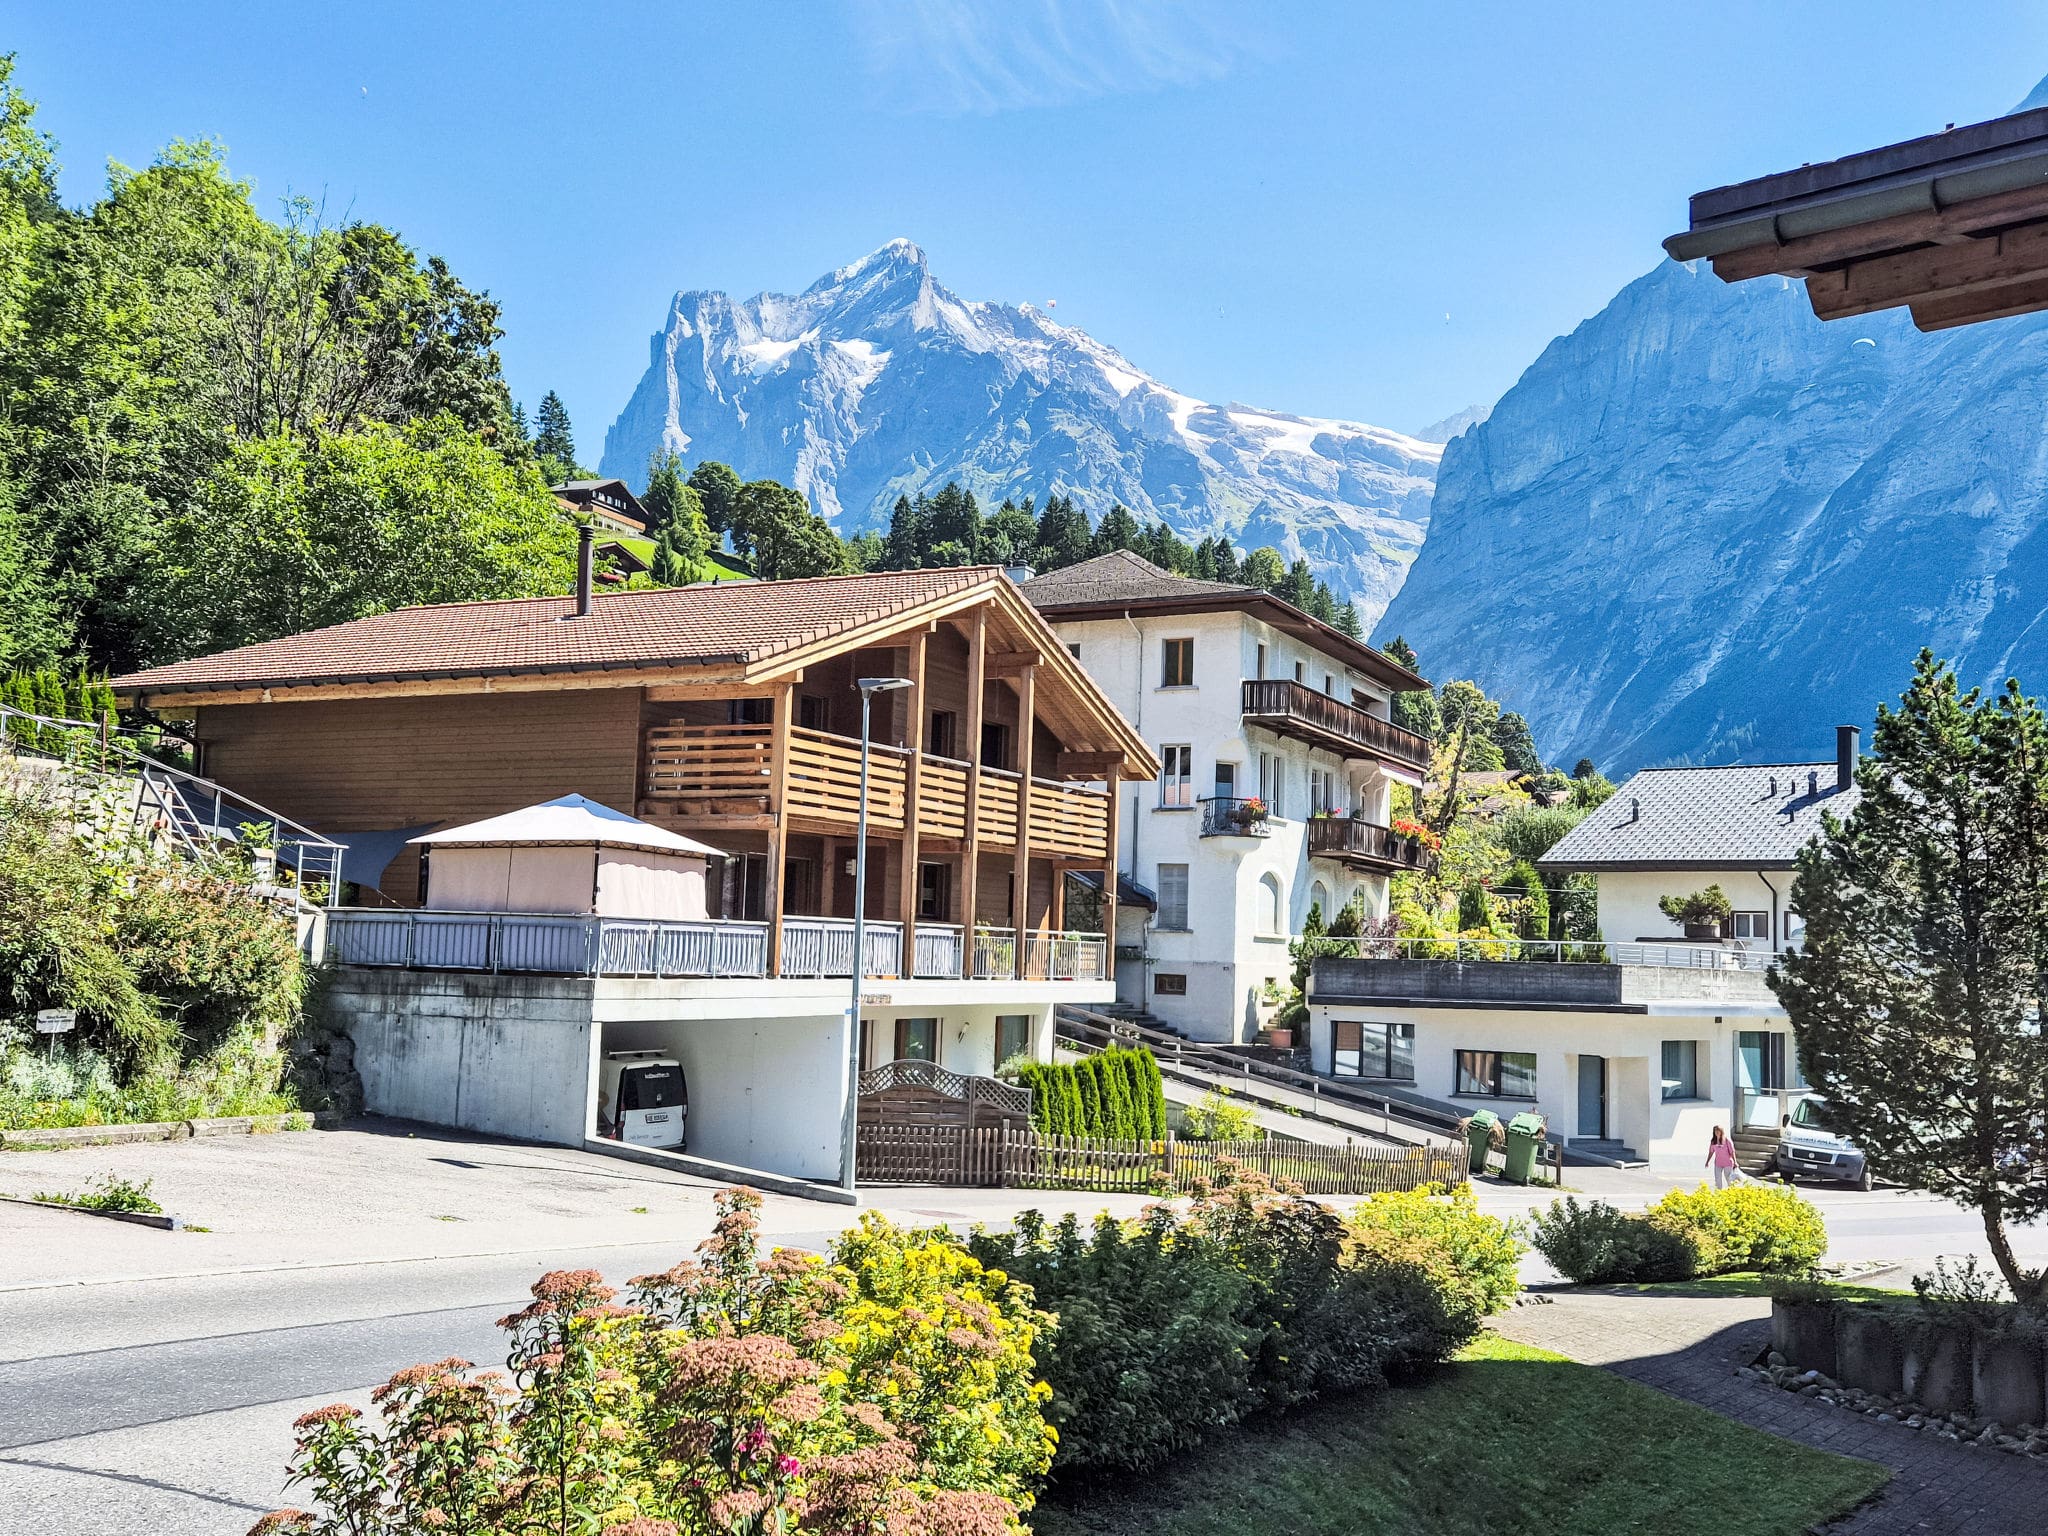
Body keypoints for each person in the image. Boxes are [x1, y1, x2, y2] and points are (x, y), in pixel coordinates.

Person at [1706, 1124, 1739, 1189]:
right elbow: (1711, 1152)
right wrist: (1707, 1161)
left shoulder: (1727, 1140)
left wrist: (1735, 1162)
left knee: (1729, 1179)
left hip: (1728, 1163)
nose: (1717, 1132)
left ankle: (1732, 1192)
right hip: (1718, 1164)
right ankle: (1719, 1193)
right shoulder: (1713, 1142)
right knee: (1718, 1180)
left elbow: (1732, 1151)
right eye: (1715, 1131)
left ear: (1721, 1131)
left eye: (1718, 1130)